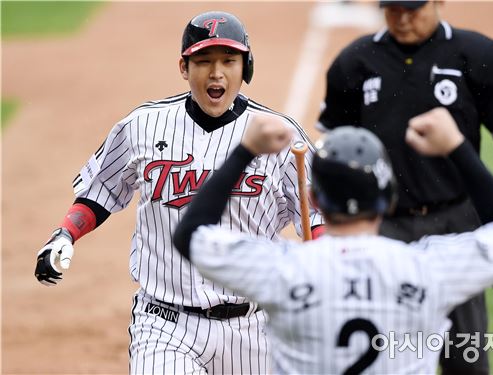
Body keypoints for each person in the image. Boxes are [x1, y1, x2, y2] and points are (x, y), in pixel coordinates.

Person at [34, 10, 323, 374]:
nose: (216, 73)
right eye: (203, 61)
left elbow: (318, 220)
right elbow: (101, 190)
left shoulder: (283, 137)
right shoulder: (142, 126)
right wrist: (66, 233)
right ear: (184, 68)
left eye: (228, 61)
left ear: (245, 68)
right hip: (165, 323)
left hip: (257, 326)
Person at [173, 107, 493, 373]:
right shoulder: (429, 269)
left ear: (315, 199)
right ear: (388, 198)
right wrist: (457, 147)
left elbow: (190, 234)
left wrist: (245, 151)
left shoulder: (282, 269)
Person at [316, 1, 493, 373]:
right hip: (383, 229)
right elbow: (335, 150)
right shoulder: (354, 62)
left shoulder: (478, 54)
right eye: (393, 9)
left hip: (457, 224)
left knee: (466, 360)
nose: (403, 18)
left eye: (412, 8)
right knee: (385, 355)